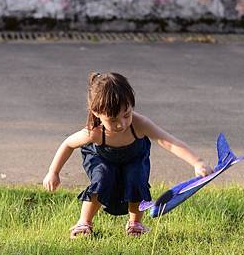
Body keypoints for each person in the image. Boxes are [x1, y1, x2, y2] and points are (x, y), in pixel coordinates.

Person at [42, 72, 214, 239]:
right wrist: (53, 171)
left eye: (126, 115)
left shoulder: (140, 125)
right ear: (96, 113)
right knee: (102, 179)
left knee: (136, 178)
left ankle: (135, 224)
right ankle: (84, 222)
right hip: (102, 158)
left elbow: (168, 142)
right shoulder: (93, 132)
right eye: (113, 120)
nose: (121, 124)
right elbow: (68, 144)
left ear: (132, 106)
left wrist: (197, 162)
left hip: (134, 157)